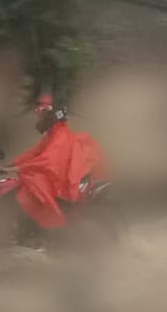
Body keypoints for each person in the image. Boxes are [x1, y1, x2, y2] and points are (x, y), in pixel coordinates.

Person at [8, 96, 108, 232]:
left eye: (42, 115)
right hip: (59, 176)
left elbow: (46, 161)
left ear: (51, 116)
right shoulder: (51, 135)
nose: (39, 119)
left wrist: (18, 167)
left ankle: (47, 228)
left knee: (31, 186)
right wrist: (11, 164)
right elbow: (33, 153)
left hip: (62, 180)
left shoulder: (59, 137)